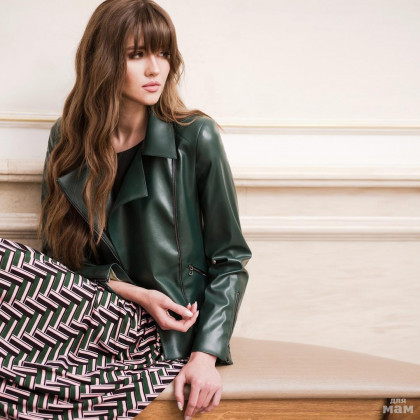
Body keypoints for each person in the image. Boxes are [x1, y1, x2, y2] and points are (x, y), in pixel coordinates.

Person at [0, 0, 252, 419]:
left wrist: (205, 356)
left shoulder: (195, 137)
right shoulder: (67, 140)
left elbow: (230, 260)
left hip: (161, 331)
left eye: (163, 53)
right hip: (93, 312)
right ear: (103, 60)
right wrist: (136, 293)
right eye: (136, 55)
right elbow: (59, 261)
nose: (155, 69)